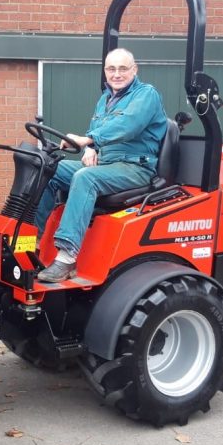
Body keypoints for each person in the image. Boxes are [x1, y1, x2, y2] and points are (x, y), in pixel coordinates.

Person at [35, 48, 167, 282]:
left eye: (123, 68)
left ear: (134, 70)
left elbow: (128, 125)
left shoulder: (146, 95)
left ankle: (66, 259)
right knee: (46, 165)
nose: (117, 74)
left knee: (86, 177)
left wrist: (90, 140)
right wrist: (90, 148)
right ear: (105, 72)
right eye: (111, 69)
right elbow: (95, 133)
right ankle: (32, 244)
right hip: (107, 165)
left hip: (136, 168)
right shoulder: (105, 100)